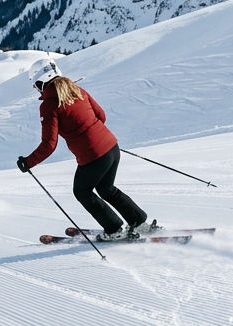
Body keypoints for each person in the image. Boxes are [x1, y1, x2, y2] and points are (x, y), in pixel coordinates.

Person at [17, 58, 148, 242]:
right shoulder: (78, 90)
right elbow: (101, 116)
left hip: (93, 157)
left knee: (82, 191)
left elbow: (49, 144)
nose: (36, 89)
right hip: (112, 147)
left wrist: (28, 162)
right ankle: (139, 222)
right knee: (106, 188)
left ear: (40, 82)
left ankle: (114, 229)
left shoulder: (49, 105)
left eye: (35, 85)